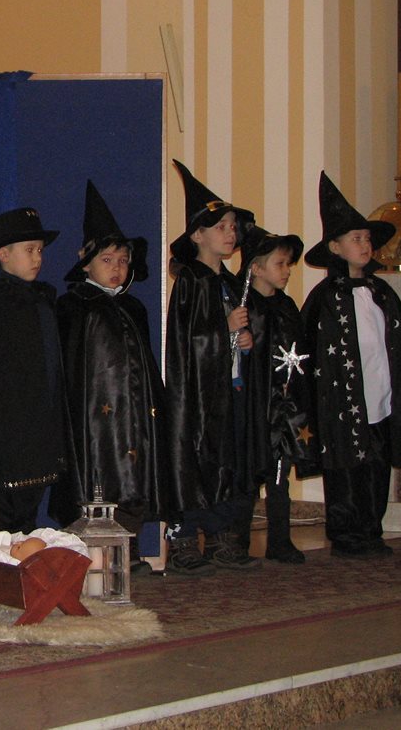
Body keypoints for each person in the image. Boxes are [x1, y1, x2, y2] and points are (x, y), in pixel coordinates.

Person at [300, 172, 401, 559]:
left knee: (377, 463)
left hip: (382, 396)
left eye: (366, 238)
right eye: (356, 238)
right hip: (341, 401)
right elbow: (309, 350)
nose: (364, 245)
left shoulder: (382, 292)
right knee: (345, 466)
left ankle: (371, 529)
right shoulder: (325, 297)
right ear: (335, 247)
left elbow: (398, 343)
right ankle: (346, 534)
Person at [51, 181, 167, 561]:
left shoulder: (134, 308)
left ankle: (128, 551)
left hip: (134, 415)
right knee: (98, 475)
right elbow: (69, 370)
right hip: (93, 422)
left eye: (122, 261)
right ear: (86, 262)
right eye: (107, 260)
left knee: (135, 475)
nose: (117, 268)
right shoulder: (73, 307)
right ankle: (94, 555)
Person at [163, 161, 259, 576]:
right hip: (199, 395)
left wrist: (245, 341)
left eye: (233, 227)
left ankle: (222, 536)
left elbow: (234, 332)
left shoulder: (230, 283)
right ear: (197, 235)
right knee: (195, 457)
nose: (230, 233)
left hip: (229, 386)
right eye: (221, 227)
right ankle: (185, 540)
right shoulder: (192, 281)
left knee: (227, 459)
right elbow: (186, 341)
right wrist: (224, 328)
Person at [0, 206, 66, 532]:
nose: (37, 258)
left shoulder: (42, 300)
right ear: (3, 255)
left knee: (31, 499)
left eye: (40, 251)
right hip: (11, 423)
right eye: (29, 250)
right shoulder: (0, 303)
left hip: (40, 416)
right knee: (7, 502)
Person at [237, 225, 318, 564]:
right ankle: (238, 541)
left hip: (284, 407)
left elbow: (298, 352)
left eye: (288, 264)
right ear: (256, 268)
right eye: (280, 264)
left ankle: (280, 540)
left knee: (279, 473)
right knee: (248, 473)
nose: (287, 271)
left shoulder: (286, 306)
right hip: (254, 404)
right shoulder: (245, 306)